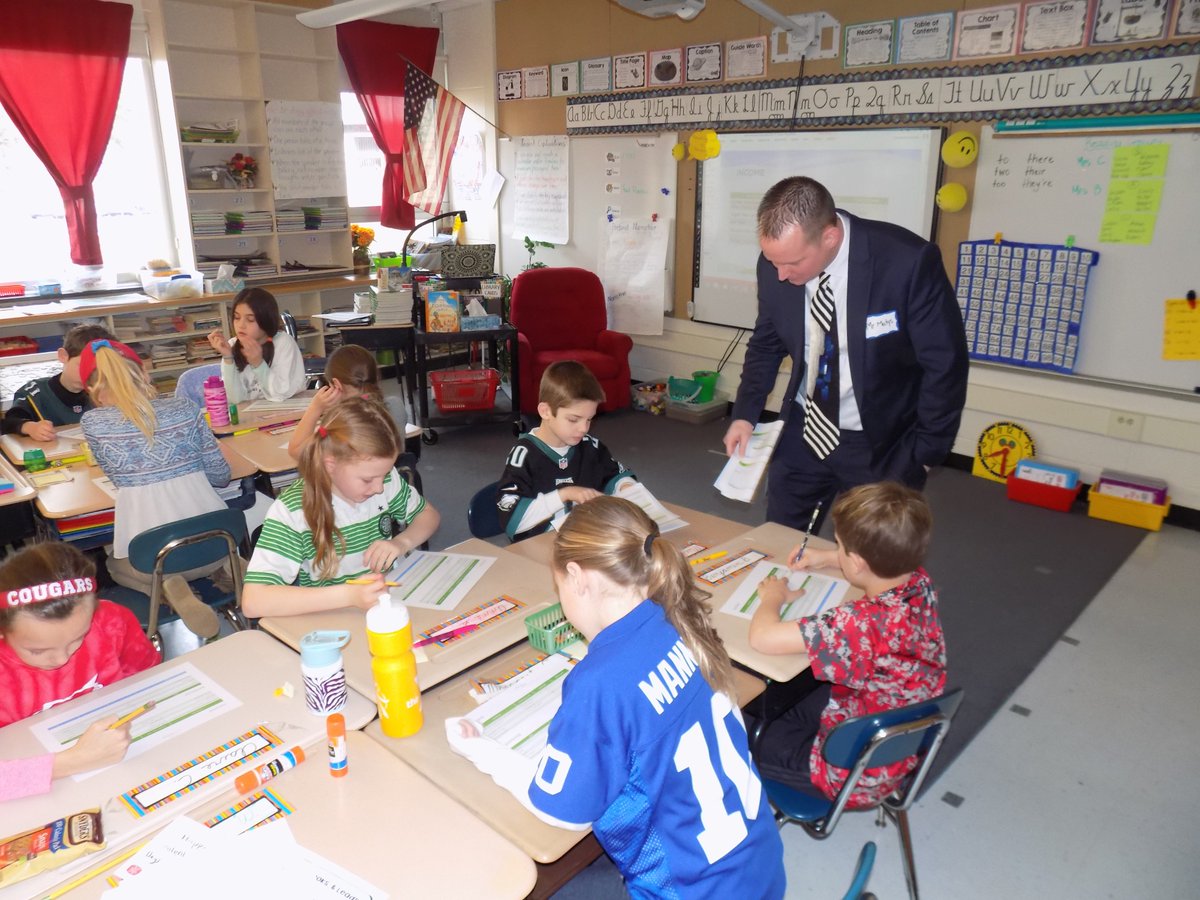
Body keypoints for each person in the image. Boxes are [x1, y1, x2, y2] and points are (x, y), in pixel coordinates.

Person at [446, 497, 786, 899]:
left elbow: (563, 812)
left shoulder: (600, 684)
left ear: (576, 577)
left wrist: (480, 750)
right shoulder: (681, 617)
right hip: (760, 869)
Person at [723, 176, 969, 532]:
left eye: (792, 263)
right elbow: (766, 342)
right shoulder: (775, 264)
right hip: (805, 430)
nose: (780, 274)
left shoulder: (907, 262)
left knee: (868, 557)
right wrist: (745, 414)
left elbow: (945, 365)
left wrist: (924, 456)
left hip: (881, 443)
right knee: (779, 539)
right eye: (772, 261)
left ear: (830, 237)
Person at [746, 481, 947, 807]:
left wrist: (773, 597)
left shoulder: (860, 623)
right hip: (888, 732)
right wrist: (829, 558)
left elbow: (762, 638)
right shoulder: (917, 581)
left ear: (858, 561)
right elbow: (880, 561)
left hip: (847, 772)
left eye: (839, 545)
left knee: (725, 722)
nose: (836, 550)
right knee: (782, 695)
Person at [79, 338, 233, 638]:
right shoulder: (185, 409)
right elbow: (221, 476)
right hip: (216, 543)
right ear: (145, 373)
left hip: (156, 559)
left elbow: (117, 478)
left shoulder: (93, 424)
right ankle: (230, 565)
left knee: (112, 564)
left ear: (91, 390)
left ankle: (169, 585)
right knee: (207, 528)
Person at [242, 396, 440, 618]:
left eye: (384, 474)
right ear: (331, 464)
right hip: (334, 616)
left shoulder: (383, 480)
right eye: (367, 480)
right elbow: (253, 601)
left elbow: (428, 515)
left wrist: (401, 542)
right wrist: (349, 596)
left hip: (387, 605)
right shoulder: (294, 510)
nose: (379, 488)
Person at [0, 542, 160, 801]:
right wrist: (71, 762)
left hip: (125, 771)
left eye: (79, 637)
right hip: (42, 796)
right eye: (38, 651)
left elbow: (148, 679)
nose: (61, 658)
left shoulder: (111, 621)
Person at [496, 361, 636, 542]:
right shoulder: (524, 456)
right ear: (545, 411)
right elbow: (511, 521)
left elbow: (615, 475)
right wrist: (565, 494)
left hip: (584, 541)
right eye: (573, 419)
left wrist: (625, 486)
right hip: (539, 547)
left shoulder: (590, 446)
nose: (584, 429)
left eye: (590, 419)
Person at [286, 344, 406, 460]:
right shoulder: (395, 405)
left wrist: (315, 408)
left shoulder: (341, 422)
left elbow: (296, 451)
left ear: (337, 384)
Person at [1, 324, 115, 440]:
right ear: (63, 356)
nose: (89, 376)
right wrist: (30, 427)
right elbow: (9, 422)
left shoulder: (109, 391)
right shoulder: (36, 392)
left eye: (98, 370)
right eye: (83, 366)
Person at [207, 287, 305, 404]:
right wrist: (228, 358)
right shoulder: (232, 345)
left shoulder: (283, 343)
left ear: (266, 321)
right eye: (237, 318)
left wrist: (259, 364)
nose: (241, 325)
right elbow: (235, 400)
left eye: (250, 319)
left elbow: (280, 394)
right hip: (253, 416)